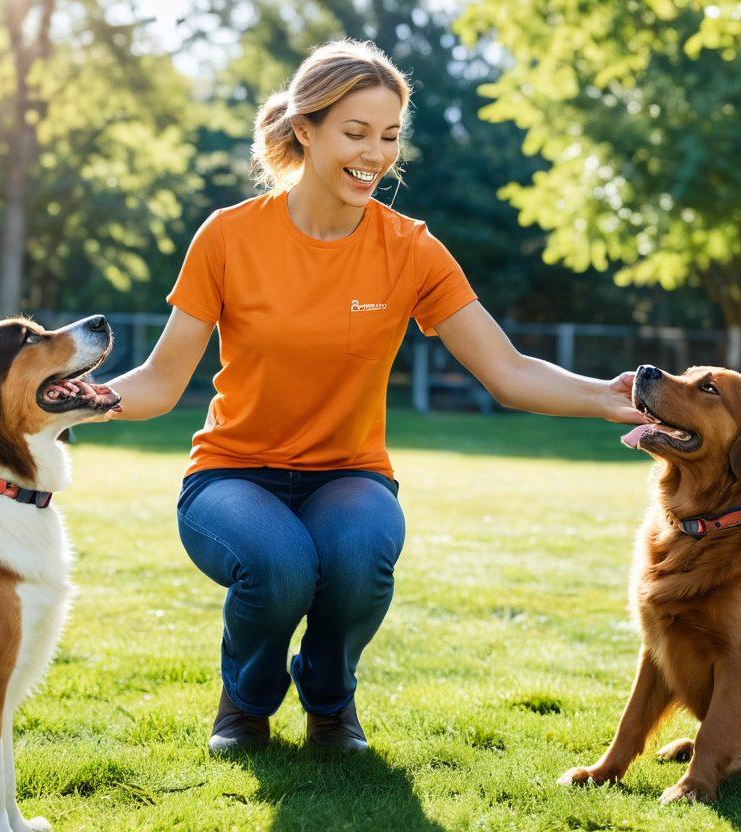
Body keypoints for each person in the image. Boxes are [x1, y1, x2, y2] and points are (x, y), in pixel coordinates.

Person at [104, 39, 647, 754]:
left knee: (360, 555)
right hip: (232, 474)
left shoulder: (411, 250)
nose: (375, 155)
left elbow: (506, 369)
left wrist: (603, 398)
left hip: (348, 474)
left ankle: (330, 706)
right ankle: (245, 705)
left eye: (389, 136)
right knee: (281, 565)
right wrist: (78, 399)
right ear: (306, 130)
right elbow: (160, 381)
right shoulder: (229, 237)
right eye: (355, 133)